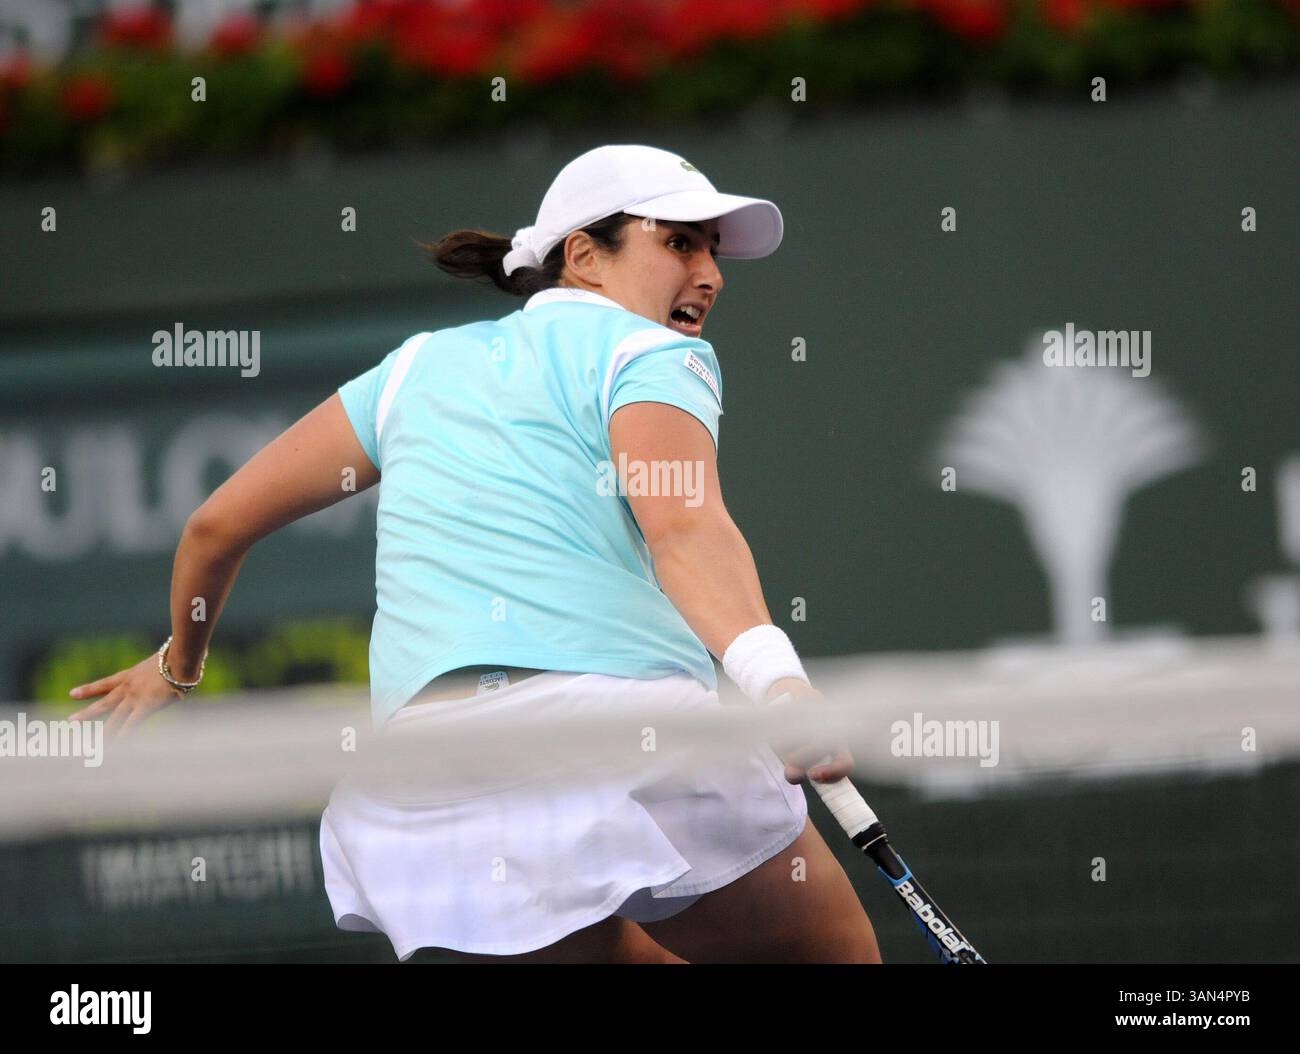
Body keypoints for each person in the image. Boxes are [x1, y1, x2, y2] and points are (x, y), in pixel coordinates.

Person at [67, 144, 880, 964]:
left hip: (429, 783)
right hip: (621, 734)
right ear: (585, 256)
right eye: (679, 242)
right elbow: (686, 530)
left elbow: (213, 527)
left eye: (713, 250)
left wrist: (178, 665)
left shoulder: (413, 368)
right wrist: (777, 682)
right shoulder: (653, 358)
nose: (710, 272)